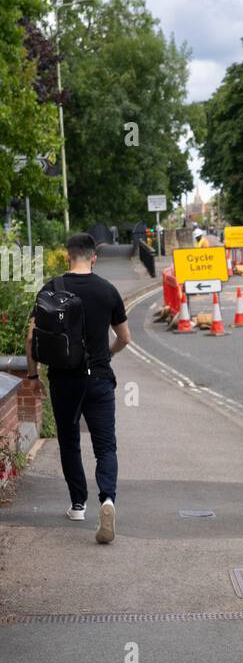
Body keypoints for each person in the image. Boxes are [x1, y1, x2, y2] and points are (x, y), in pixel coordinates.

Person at [25, 233, 131, 543]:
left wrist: (33, 378)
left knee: (70, 441)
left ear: (68, 256)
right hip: (98, 379)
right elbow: (125, 338)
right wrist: (106, 356)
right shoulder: (108, 291)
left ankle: (77, 505)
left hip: (63, 379)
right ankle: (108, 500)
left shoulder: (51, 289)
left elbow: (32, 339)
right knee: (105, 446)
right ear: (94, 257)